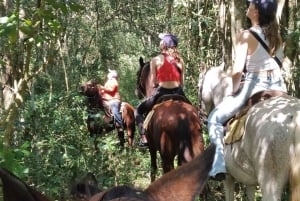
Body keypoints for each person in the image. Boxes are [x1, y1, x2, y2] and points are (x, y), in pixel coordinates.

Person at [207, 0, 287, 181]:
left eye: (252, 4)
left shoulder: (245, 35)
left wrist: (232, 92)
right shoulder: (277, 37)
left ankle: (218, 166)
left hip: (254, 86)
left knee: (214, 118)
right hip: (279, 87)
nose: (248, 6)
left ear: (257, 12)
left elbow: (237, 72)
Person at [135, 33, 190, 148]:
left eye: (161, 41)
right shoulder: (180, 60)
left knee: (138, 111)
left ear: (164, 44)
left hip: (162, 92)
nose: (159, 43)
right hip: (178, 92)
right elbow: (182, 83)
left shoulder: (155, 60)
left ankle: (144, 138)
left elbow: (155, 82)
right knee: (194, 111)